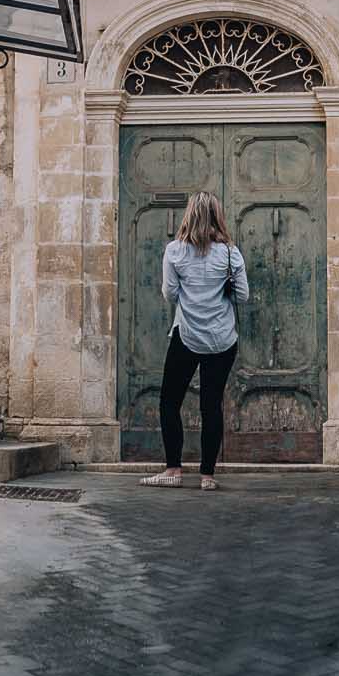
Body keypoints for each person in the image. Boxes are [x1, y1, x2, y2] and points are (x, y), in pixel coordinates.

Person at [141, 190, 248, 491]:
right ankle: (207, 476)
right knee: (211, 406)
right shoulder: (230, 253)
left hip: (186, 337)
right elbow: (242, 295)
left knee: (169, 401)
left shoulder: (174, 251)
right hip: (222, 340)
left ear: (189, 214)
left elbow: (169, 294)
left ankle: (173, 469)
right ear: (217, 216)